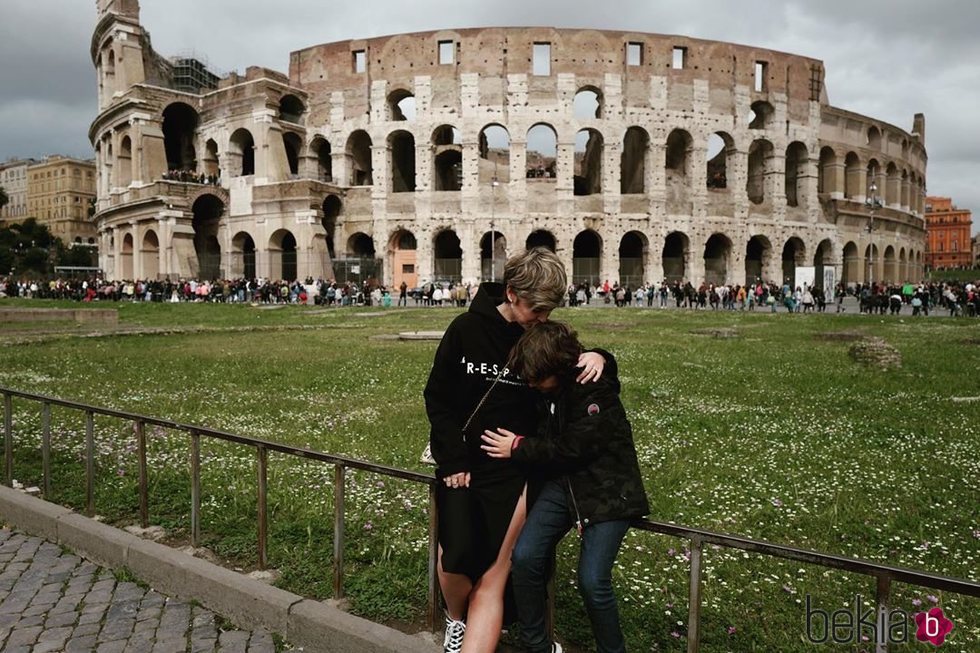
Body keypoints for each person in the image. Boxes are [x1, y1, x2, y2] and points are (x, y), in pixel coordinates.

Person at [424, 248, 605, 653]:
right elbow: (438, 398)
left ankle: (477, 625)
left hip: (515, 468)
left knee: (493, 573)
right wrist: (452, 457)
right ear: (510, 293)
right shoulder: (466, 329)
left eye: (549, 310)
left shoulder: (541, 336)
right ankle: (456, 617)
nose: (543, 319)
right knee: (455, 560)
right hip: (463, 465)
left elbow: (579, 376)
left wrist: (601, 357)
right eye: (536, 309)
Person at [481, 321, 649, 653]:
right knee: (526, 557)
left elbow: (573, 449)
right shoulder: (548, 384)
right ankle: (537, 645)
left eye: (537, 378)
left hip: (608, 490)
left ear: (560, 367)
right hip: (565, 484)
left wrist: (517, 446)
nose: (531, 384)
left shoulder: (592, 387)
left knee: (592, 581)